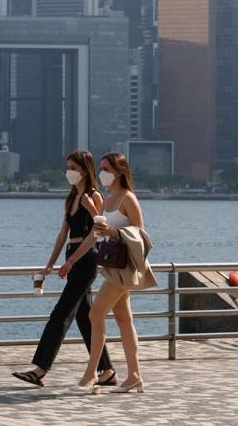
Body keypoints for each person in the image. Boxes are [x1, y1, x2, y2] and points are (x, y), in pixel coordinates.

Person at [12, 151, 116, 388]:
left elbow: (97, 232)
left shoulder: (94, 196)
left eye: (73, 167)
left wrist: (71, 262)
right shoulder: (71, 198)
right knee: (85, 318)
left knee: (61, 314)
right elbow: (63, 234)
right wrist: (51, 263)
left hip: (87, 259)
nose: (69, 172)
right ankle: (107, 370)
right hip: (73, 254)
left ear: (84, 169)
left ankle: (40, 369)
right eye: (67, 167)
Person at [60, 151, 156, 394]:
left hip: (124, 267)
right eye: (101, 169)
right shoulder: (109, 198)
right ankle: (134, 376)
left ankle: (91, 374)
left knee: (95, 314)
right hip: (111, 266)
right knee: (124, 320)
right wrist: (71, 260)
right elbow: (97, 232)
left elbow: (139, 236)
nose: (101, 174)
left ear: (119, 172)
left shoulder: (128, 198)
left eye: (106, 169)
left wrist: (99, 219)